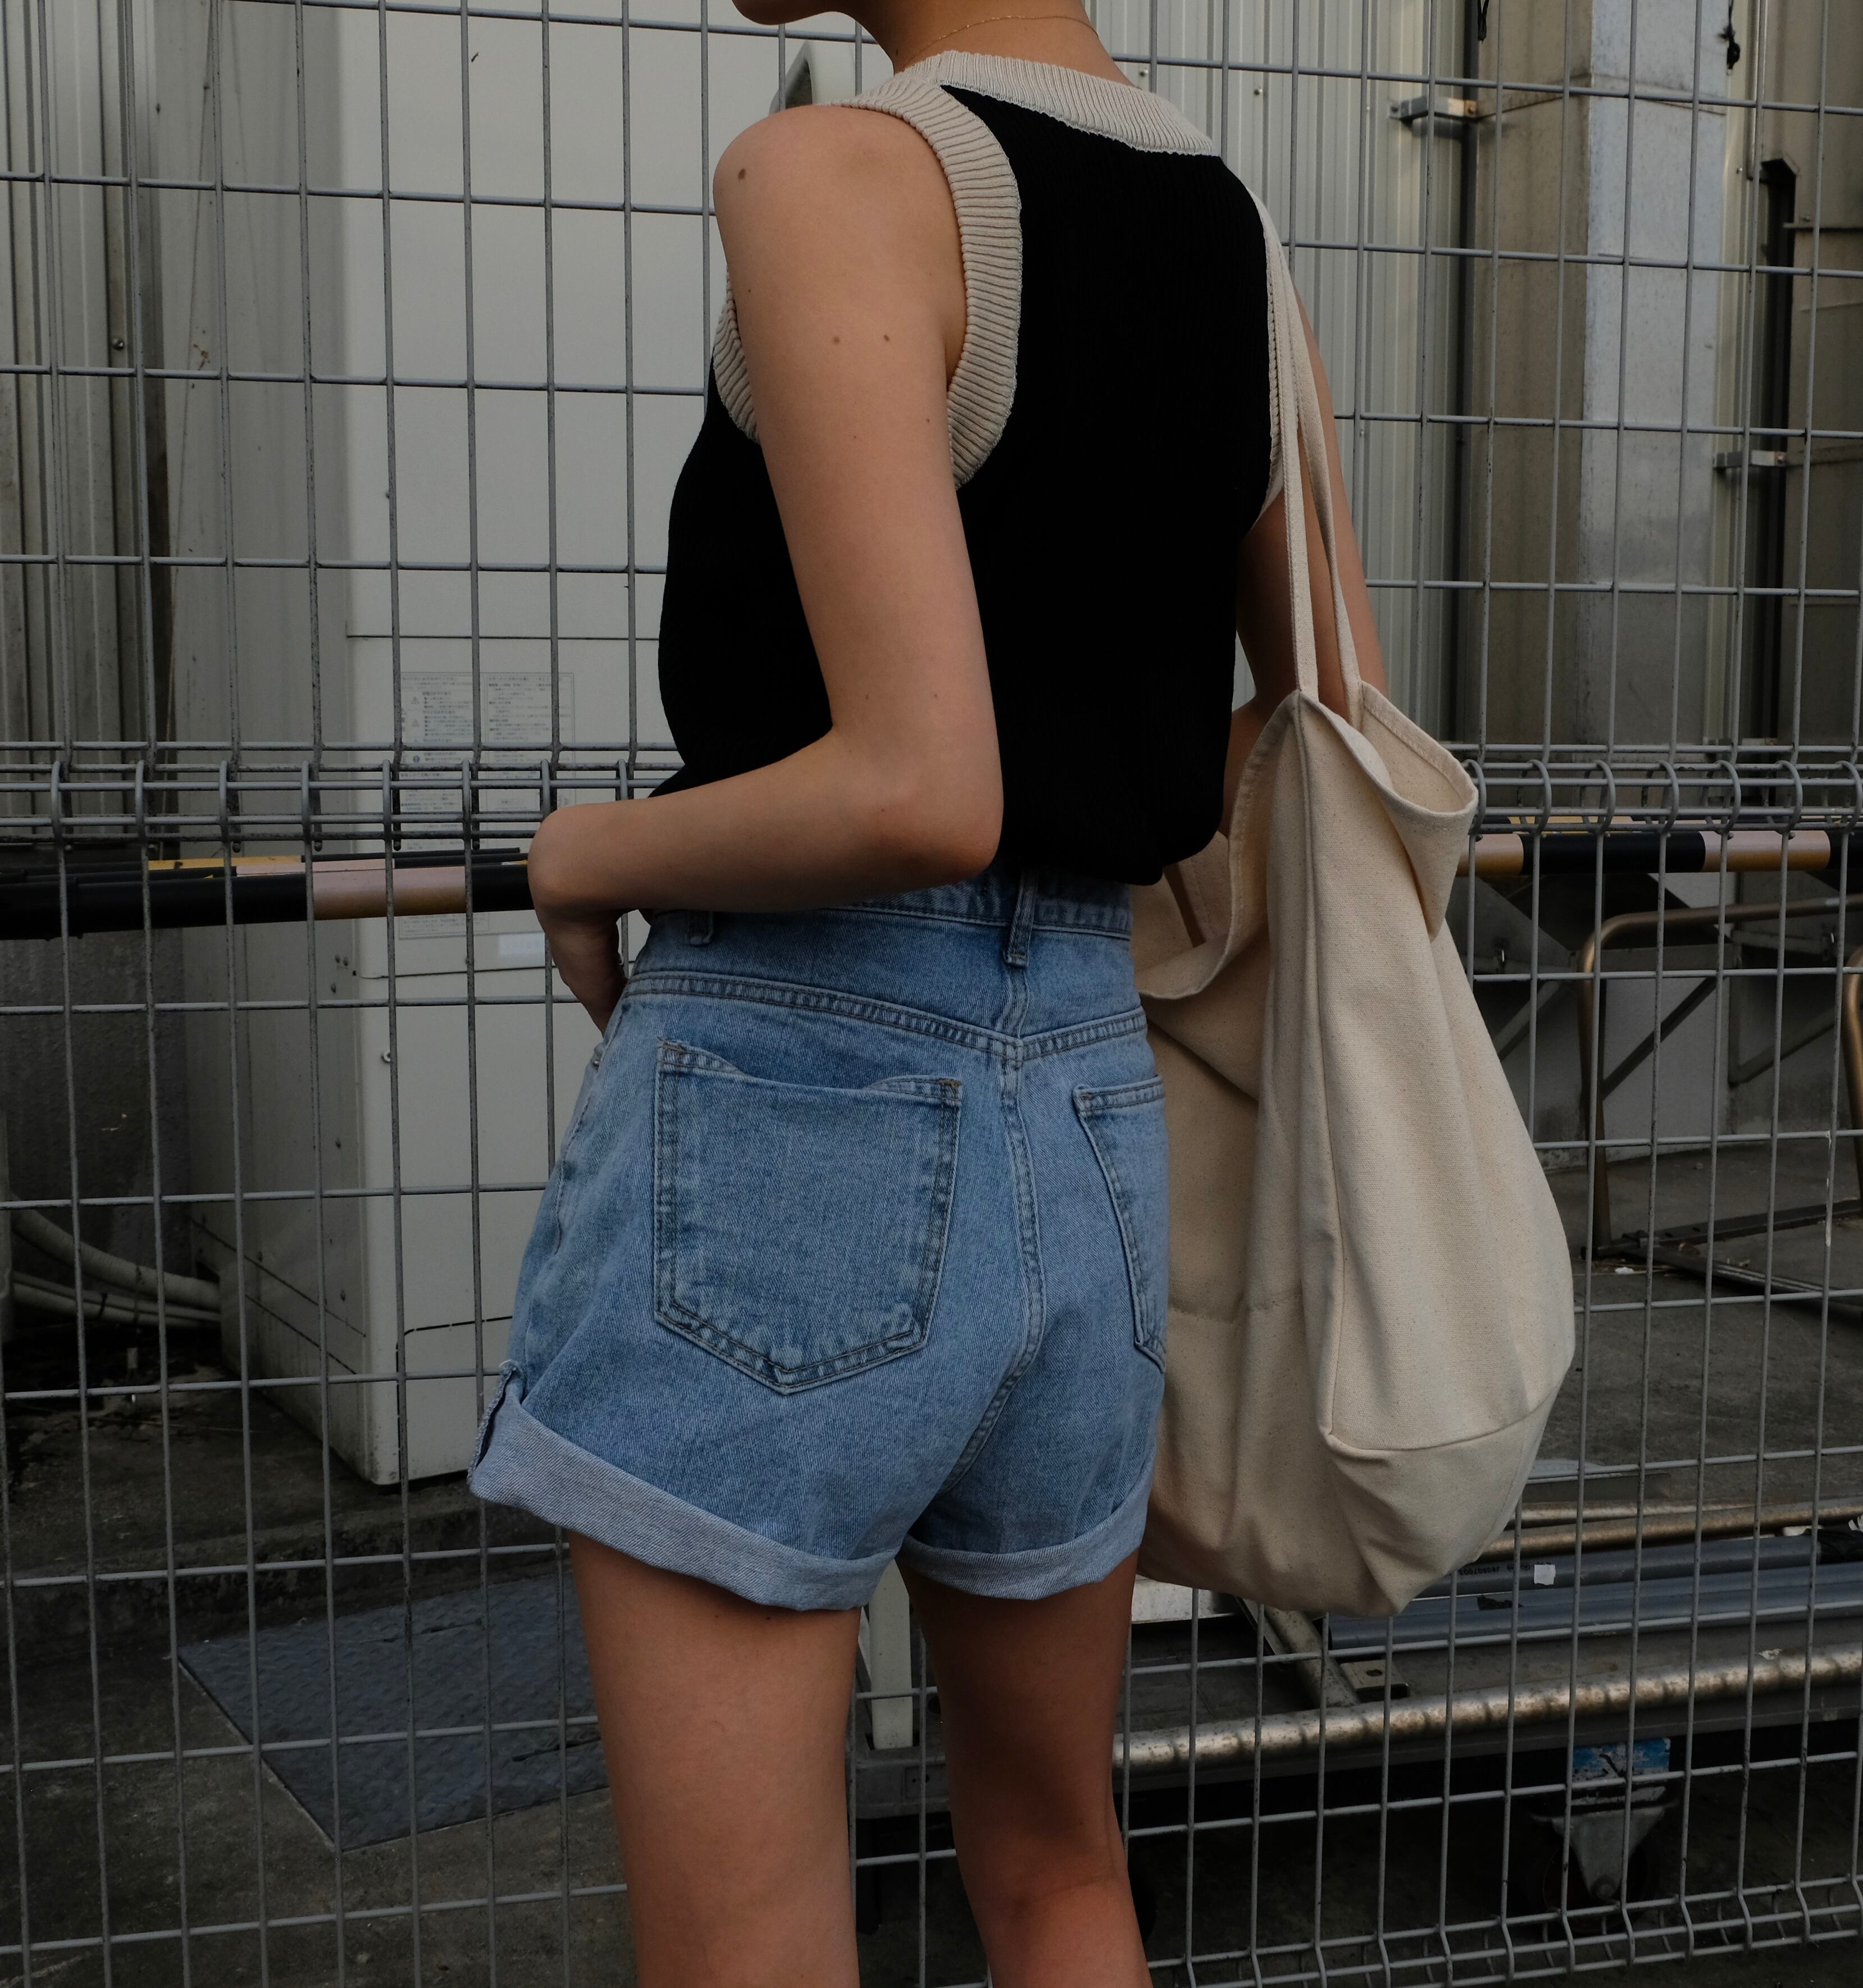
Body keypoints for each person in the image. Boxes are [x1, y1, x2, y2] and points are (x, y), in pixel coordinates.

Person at [468, 3, 1386, 1981]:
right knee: (1057, 1869)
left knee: (752, 1940)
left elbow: (916, 787)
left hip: (797, 1101)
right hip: (1091, 1108)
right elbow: (1332, 708)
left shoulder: (836, 174)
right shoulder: (1229, 234)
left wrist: (586, 853)